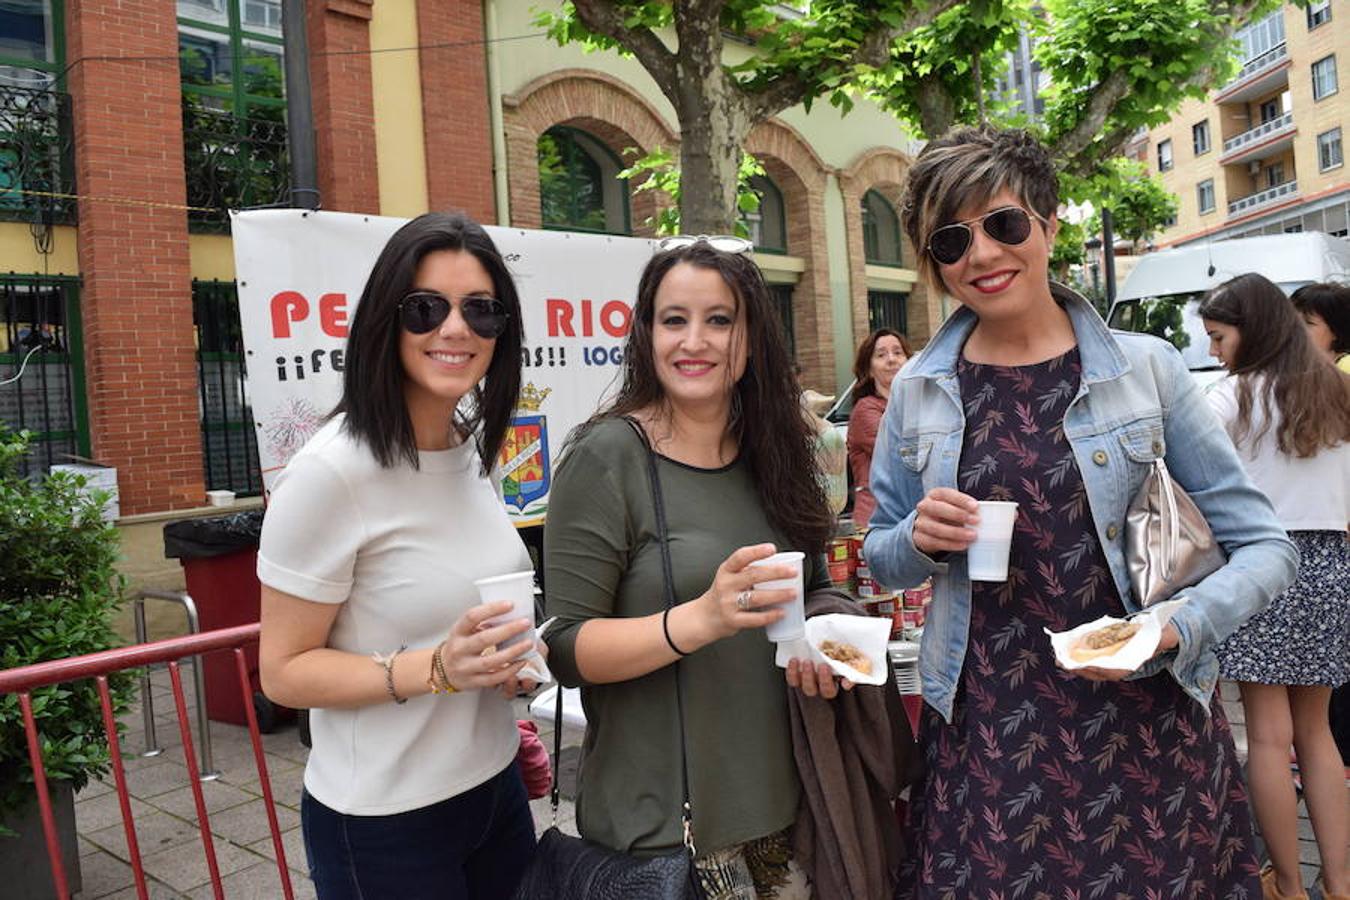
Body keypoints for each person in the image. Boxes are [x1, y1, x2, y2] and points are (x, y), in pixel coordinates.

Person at [863, 126, 1298, 898]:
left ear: (1048, 224)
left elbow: (1266, 546)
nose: (983, 256)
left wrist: (1176, 625)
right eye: (952, 241)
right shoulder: (919, 391)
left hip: (1146, 724)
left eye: (1003, 224)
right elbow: (880, 554)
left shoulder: (1147, 371)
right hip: (989, 737)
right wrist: (919, 541)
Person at [543, 236, 847, 899]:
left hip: (784, 813)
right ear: (647, 333)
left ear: (750, 335)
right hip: (664, 834)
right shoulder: (606, 457)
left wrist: (829, 643)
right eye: (674, 319)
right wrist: (702, 619)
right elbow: (564, 649)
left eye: (719, 319)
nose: (695, 341)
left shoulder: (774, 451)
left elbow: (817, 587)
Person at [257, 213, 540, 900]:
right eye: (425, 308)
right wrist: (437, 668)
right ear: (386, 321)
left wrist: (513, 665)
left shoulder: (464, 446)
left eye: (481, 310)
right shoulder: (331, 473)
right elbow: (284, 672)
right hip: (386, 824)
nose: (455, 329)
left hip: (495, 788)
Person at [1199, 273, 1350, 900]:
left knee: (1266, 735)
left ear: (1250, 329)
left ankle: (1286, 887)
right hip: (1331, 566)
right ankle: (1340, 885)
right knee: (1318, 734)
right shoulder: (1340, 390)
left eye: (1218, 336)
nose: (1213, 350)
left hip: (1264, 564)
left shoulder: (1230, 397)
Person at [846, 329, 911, 529]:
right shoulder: (866, 409)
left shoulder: (916, 405)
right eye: (881, 355)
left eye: (898, 353)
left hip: (909, 517)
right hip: (877, 521)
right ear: (870, 369)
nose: (891, 360)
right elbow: (902, 455)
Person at [1290, 281, 1350, 373]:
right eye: (1294, 322)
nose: (1296, 330)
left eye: (1308, 323)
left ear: (1336, 330)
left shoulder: (1346, 366)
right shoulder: (1300, 367)